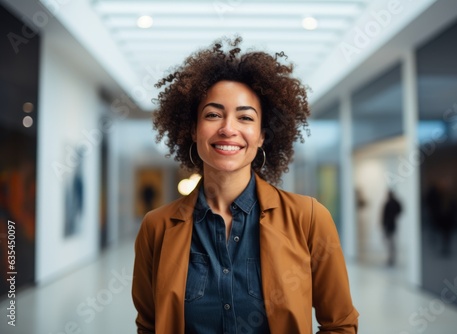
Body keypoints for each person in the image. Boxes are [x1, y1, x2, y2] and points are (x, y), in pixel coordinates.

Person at [132, 36, 359, 334]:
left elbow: (340, 325)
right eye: (213, 114)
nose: (228, 129)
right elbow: (149, 327)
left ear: (262, 135)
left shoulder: (309, 219)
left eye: (245, 117)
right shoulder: (156, 228)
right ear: (192, 129)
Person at [382, 190, 402, 266]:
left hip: (390, 225)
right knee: (391, 243)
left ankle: (392, 259)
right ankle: (391, 258)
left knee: (391, 243)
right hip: (391, 225)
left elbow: (385, 216)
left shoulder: (390, 203)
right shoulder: (391, 203)